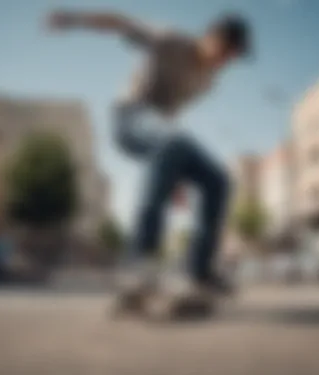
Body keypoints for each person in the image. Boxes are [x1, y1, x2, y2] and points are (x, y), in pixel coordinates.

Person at [47, 9, 251, 299]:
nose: (225, 62)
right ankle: (137, 262)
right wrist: (74, 20)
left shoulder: (208, 81)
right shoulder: (171, 40)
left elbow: (171, 116)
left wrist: (176, 173)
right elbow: (122, 24)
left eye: (232, 58)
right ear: (211, 37)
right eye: (225, 51)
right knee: (173, 141)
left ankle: (200, 272)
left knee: (217, 180)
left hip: (163, 135)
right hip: (129, 117)